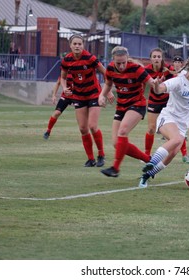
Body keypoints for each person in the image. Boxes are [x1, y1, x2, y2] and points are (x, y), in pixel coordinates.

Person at [139, 55, 189, 188]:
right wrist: (157, 85)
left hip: (183, 124)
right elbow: (160, 90)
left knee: (173, 153)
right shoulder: (178, 81)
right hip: (169, 117)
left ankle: (146, 175)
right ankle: (152, 161)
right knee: (175, 140)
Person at [99, 46, 158, 177]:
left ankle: (115, 168)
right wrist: (101, 95)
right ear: (113, 60)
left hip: (137, 104)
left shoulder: (136, 69)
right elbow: (108, 84)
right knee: (116, 143)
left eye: (123, 63)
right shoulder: (109, 68)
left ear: (127, 59)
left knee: (123, 131)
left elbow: (151, 82)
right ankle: (149, 160)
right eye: (118, 63)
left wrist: (157, 83)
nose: (121, 66)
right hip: (121, 106)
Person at [60, 34, 114, 167]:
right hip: (78, 96)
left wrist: (108, 91)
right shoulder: (66, 60)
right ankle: (90, 159)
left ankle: (101, 154)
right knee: (83, 129)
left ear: (83, 45)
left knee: (92, 126)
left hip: (94, 94)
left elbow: (106, 73)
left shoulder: (90, 58)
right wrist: (64, 87)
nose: (77, 46)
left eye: (80, 44)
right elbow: (63, 77)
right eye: (75, 44)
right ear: (70, 45)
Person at [144, 48, 175, 156]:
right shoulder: (146, 70)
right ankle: (146, 155)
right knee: (151, 128)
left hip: (168, 102)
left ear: (162, 58)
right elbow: (141, 84)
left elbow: (176, 81)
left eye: (159, 56)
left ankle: (184, 154)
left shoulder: (168, 69)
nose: (156, 59)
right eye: (154, 57)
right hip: (154, 101)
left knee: (172, 130)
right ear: (150, 59)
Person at [172, 55, 189, 164]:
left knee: (180, 134)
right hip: (169, 106)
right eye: (175, 62)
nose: (176, 64)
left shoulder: (184, 75)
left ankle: (184, 155)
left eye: (179, 62)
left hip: (180, 108)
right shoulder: (170, 74)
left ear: (182, 64)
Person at [43, 72, 74, 140]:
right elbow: (58, 83)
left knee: (83, 114)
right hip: (66, 96)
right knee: (57, 113)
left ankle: (88, 132)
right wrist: (54, 95)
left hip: (77, 96)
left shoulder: (78, 72)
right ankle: (48, 131)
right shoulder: (65, 73)